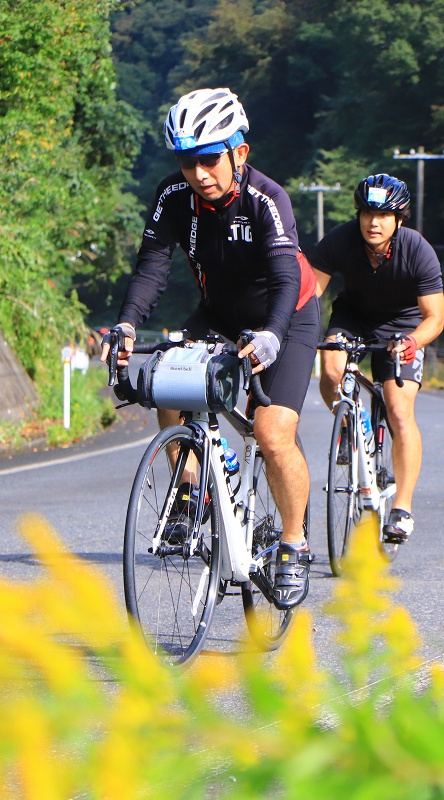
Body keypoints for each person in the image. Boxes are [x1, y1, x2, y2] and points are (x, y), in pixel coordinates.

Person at [102, 88, 320, 609]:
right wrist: (128, 325)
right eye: (186, 161)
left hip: (286, 317)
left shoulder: (268, 198)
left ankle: (293, 543)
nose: (198, 173)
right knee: (169, 384)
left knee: (272, 433)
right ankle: (188, 490)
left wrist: (269, 334)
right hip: (220, 314)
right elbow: (152, 267)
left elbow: (286, 276)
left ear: (239, 153)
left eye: (208, 159)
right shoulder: (172, 197)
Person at [310, 173, 444, 545]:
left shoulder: (418, 250)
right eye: (367, 213)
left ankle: (402, 507)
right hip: (353, 317)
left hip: (403, 325)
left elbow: (435, 317)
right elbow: (309, 294)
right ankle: (350, 429)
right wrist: (300, 332)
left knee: (399, 408)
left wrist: (413, 341)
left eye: (384, 215)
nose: (374, 222)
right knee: (333, 369)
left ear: (399, 219)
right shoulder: (340, 240)